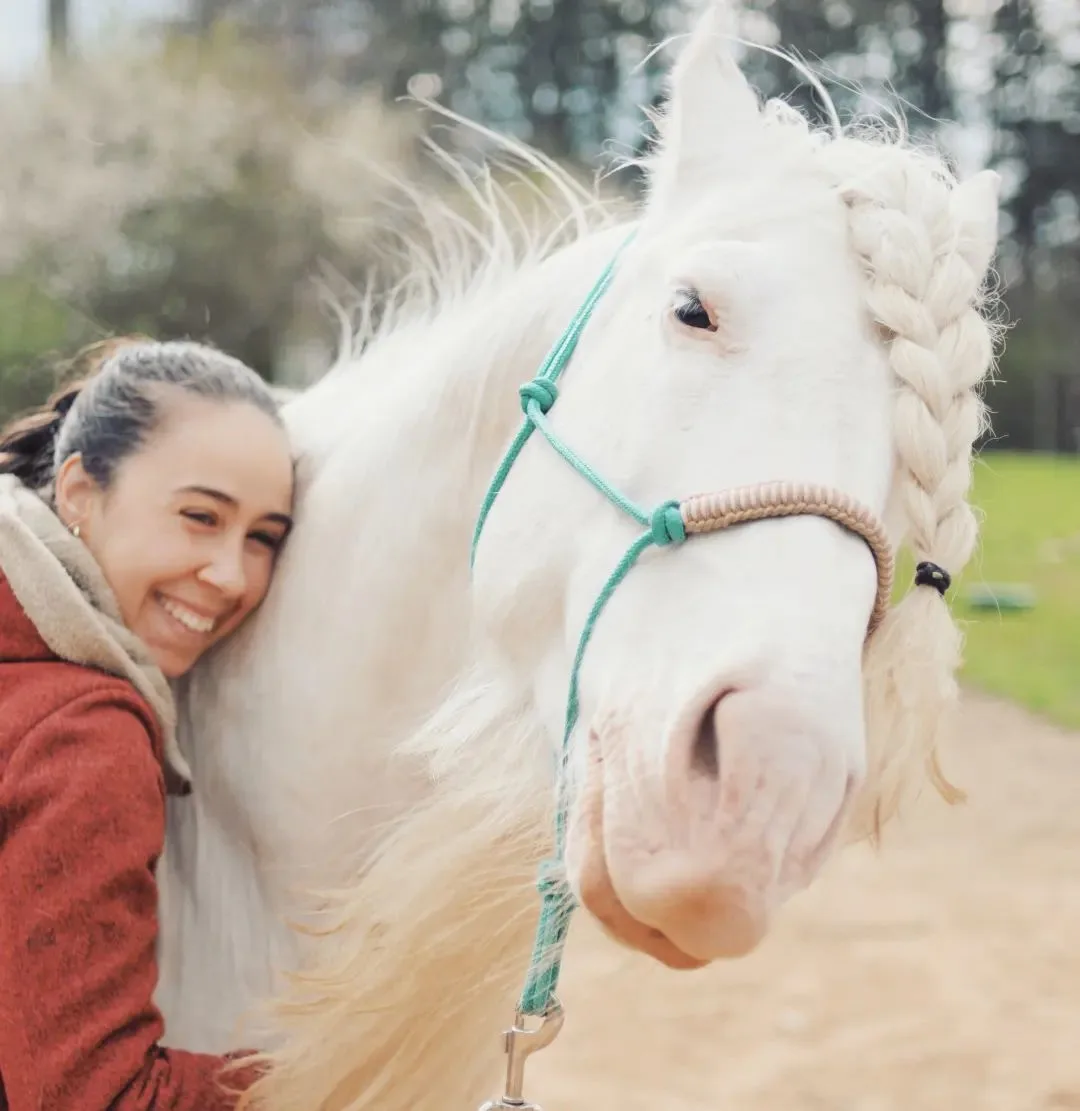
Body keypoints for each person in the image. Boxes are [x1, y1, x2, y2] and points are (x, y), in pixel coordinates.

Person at [0, 336, 295, 1110]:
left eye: (262, 538)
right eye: (200, 516)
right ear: (78, 491)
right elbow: (95, 1097)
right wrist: (352, 1078)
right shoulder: (79, 730)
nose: (231, 575)